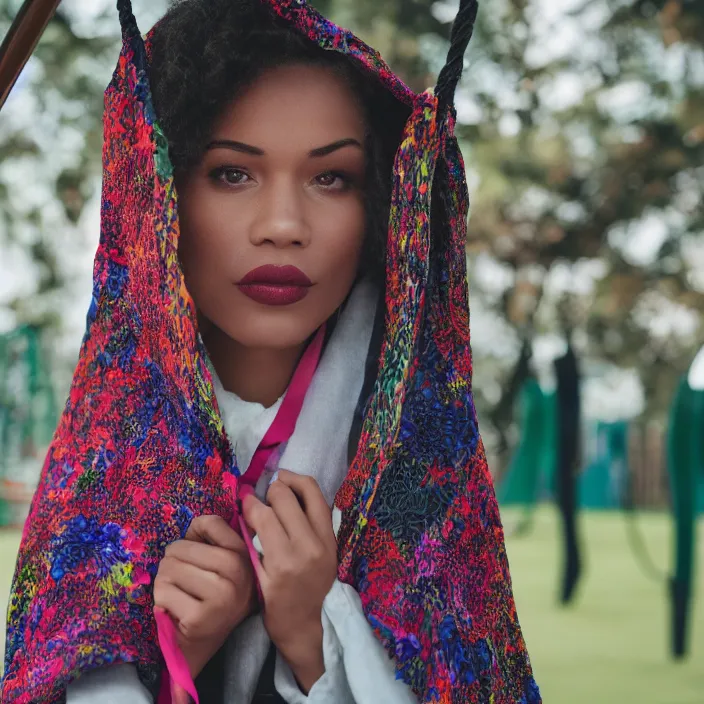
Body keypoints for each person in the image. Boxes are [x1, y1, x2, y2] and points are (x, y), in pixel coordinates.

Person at [1, 1, 541, 703]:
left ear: (383, 204)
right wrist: (174, 659)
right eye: (233, 173)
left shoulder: (422, 476)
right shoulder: (103, 471)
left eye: (331, 178)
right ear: (159, 193)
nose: (284, 225)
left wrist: (315, 640)